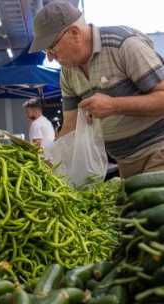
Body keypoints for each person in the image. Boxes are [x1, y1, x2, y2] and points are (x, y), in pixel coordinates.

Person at [29, 1, 164, 179]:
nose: (51, 57)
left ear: (74, 33)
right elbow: (70, 125)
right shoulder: (68, 73)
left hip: (158, 153)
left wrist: (114, 105)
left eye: (52, 48)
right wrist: (49, 158)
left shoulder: (123, 45)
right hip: (123, 162)